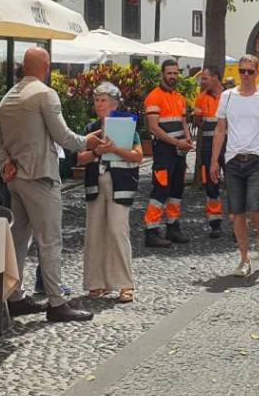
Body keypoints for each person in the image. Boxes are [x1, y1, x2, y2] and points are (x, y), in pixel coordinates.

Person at [0, 46, 101, 322]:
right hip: (40, 176)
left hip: (15, 178)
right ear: (46, 66)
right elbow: (64, 137)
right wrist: (89, 141)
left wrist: (6, 164)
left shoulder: (8, 97)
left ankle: (13, 297)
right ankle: (56, 302)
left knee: (19, 239)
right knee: (50, 240)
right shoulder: (44, 94)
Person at [211, 54, 259, 277]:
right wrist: (214, 160)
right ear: (238, 72)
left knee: (254, 208)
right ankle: (244, 258)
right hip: (233, 159)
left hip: (258, 158)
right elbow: (220, 129)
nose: (247, 75)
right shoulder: (227, 96)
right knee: (237, 212)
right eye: (243, 71)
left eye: (251, 71)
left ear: (258, 72)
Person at [77, 82, 142, 303]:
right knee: (94, 232)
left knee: (117, 231)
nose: (99, 104)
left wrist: (115, 150)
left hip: (121, 183)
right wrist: (97, 151)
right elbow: (80, 158)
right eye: (96, 100)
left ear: (114, 103)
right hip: (95, 183)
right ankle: (96, 283)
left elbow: (138, 156)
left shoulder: (127, 125)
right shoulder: (91, 128)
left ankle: (125, 284)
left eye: (103, 100)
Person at [143, 59, 194, 248]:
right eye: (169, 73)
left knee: (176, 191)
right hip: (164, 151)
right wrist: (177, 143)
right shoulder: (154, 97)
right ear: (162, 74)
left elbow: (183, 122)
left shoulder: (180, 98)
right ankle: (151, 231)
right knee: (160, 191)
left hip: (179, 152)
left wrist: (187, 141)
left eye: (175, 73)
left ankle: (173, 227)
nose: (172, 76)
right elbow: (154, 128)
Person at [192, 65, 226, 238]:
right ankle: (215, 223)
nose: (202, 81)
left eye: (205, 78)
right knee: (211, 184)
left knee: (234, 183)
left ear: (215, 77)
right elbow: (197, 120)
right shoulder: (201, 98)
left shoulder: (230, 96)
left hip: (229, 145)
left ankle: (238, 223)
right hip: (207, 146)